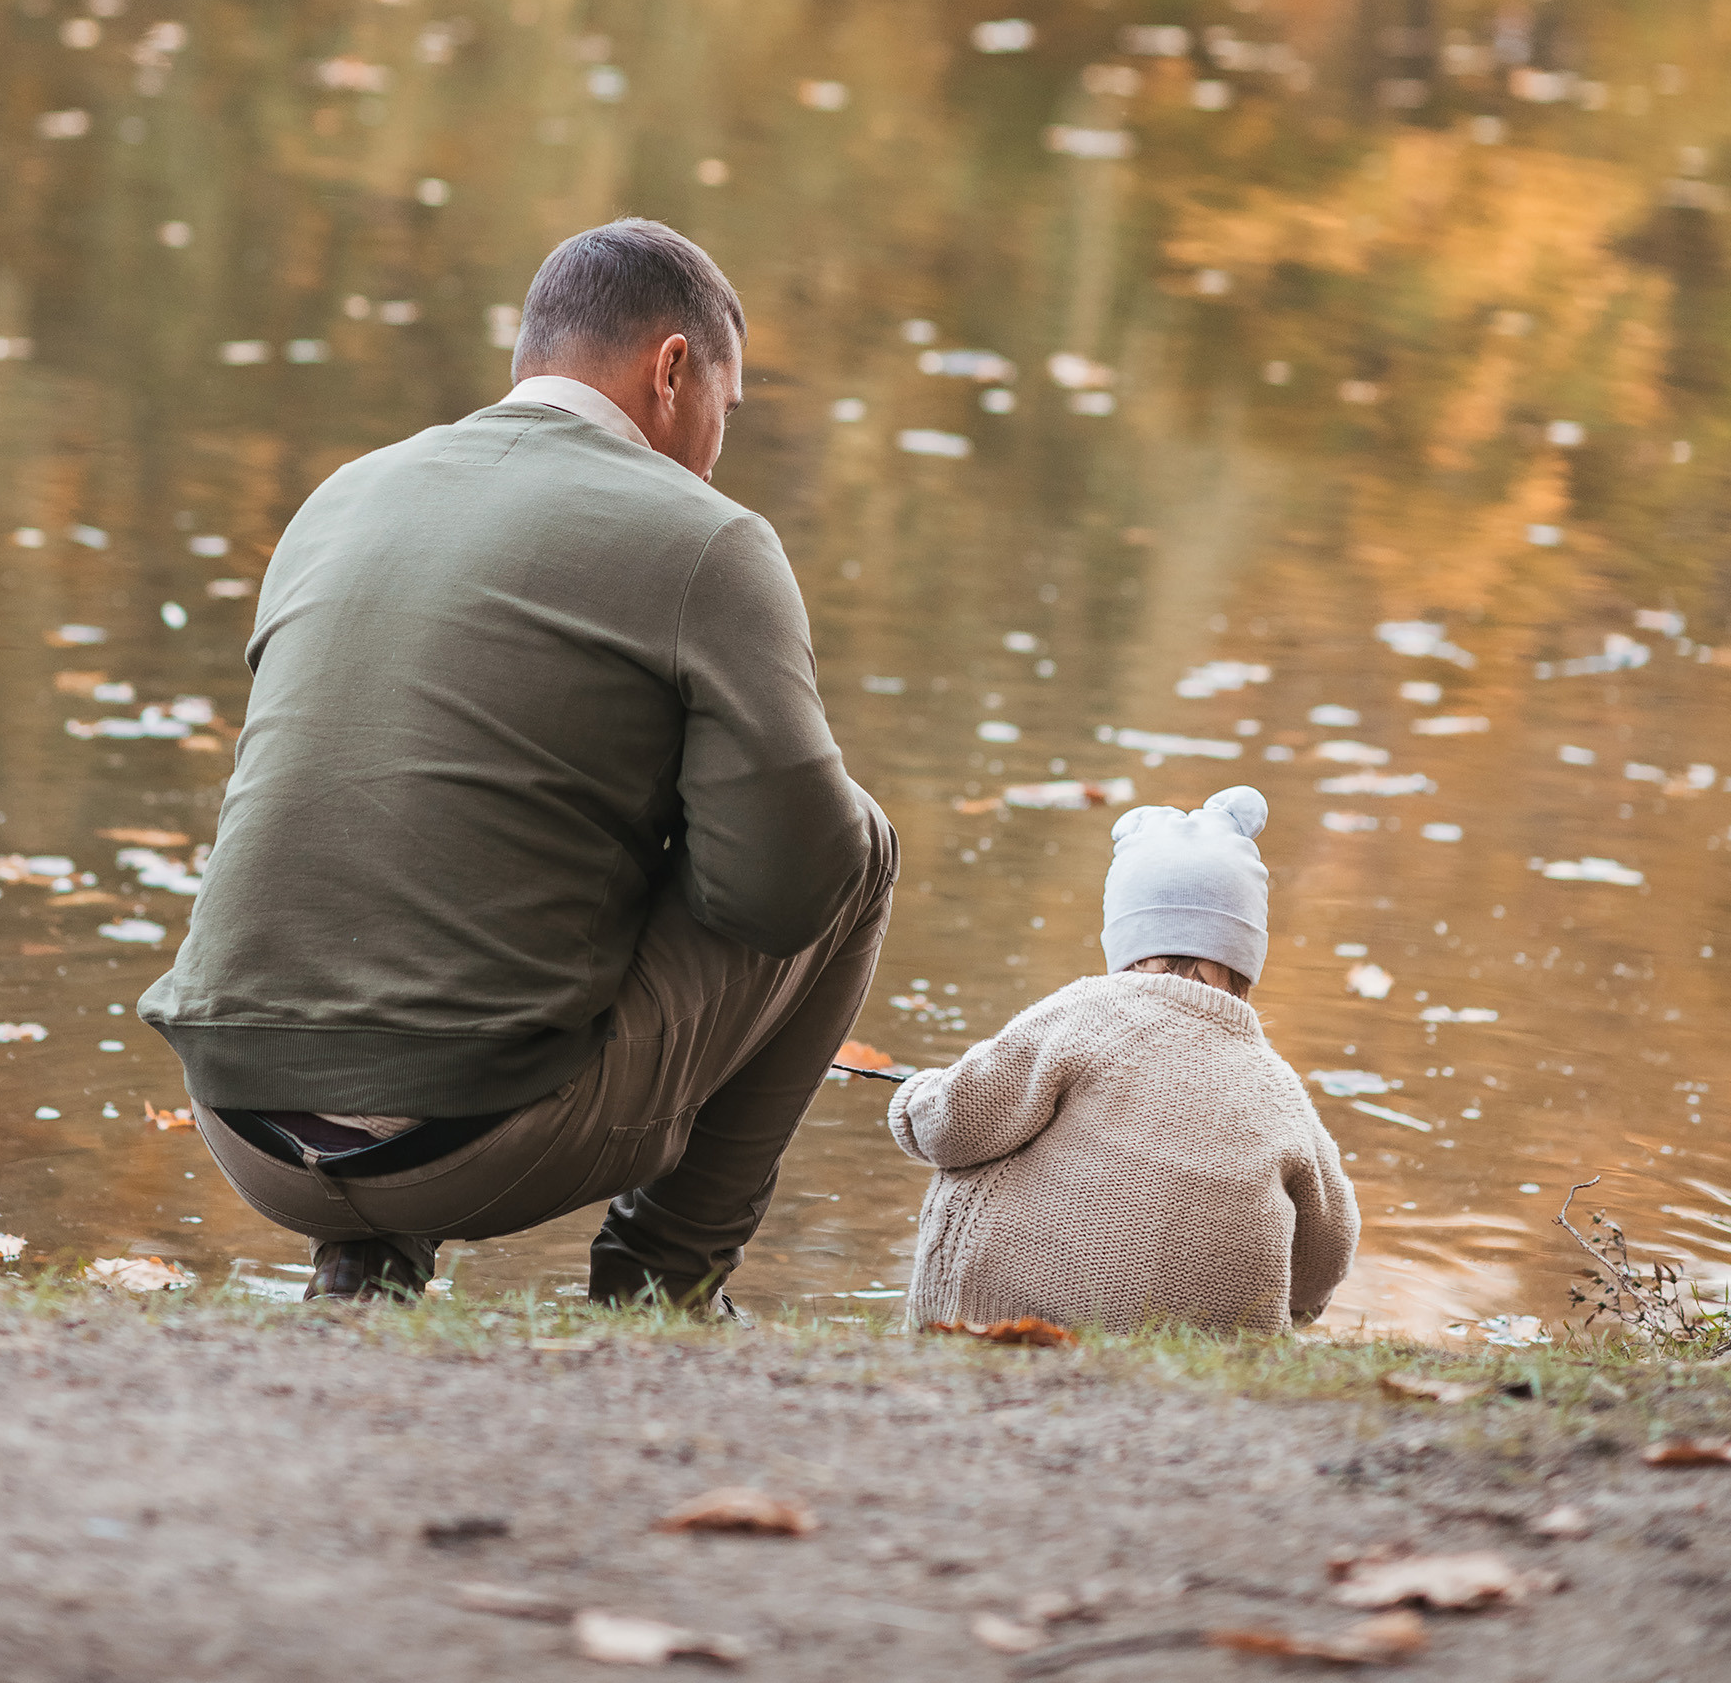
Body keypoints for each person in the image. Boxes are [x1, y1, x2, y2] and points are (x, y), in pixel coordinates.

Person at [140, 217, 896, 1308]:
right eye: (723, 415)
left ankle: (363, 1270)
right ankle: (660, 1285)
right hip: (471, 1140)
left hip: (244, 1124)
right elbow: (779, 892)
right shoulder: (709, 539)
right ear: (671, 370)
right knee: (854, 845)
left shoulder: (341, 497)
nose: (716, 449)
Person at [886, 786, 1357, 1334]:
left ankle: (961, 1325)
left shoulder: (1086, 1013)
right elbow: (1330, 1248)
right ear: (1247, 957)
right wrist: (1291, 1303)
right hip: (1209, 1355)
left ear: (1126, 934)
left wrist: (915, 1097)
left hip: (1005, 1325)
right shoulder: (1278, 1088)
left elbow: (955, 1126)